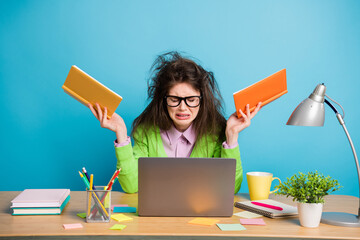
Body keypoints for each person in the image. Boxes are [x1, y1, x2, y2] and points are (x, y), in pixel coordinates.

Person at [89, 51, 261, 194]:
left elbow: (231, 188)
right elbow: (131, 187)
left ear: (202, 100)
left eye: (191, 99)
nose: (183, 108)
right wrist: (120, 133)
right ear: (163, 100)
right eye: (174, 99)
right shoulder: (146, 132)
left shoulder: (216, 132)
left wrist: (231, 137)